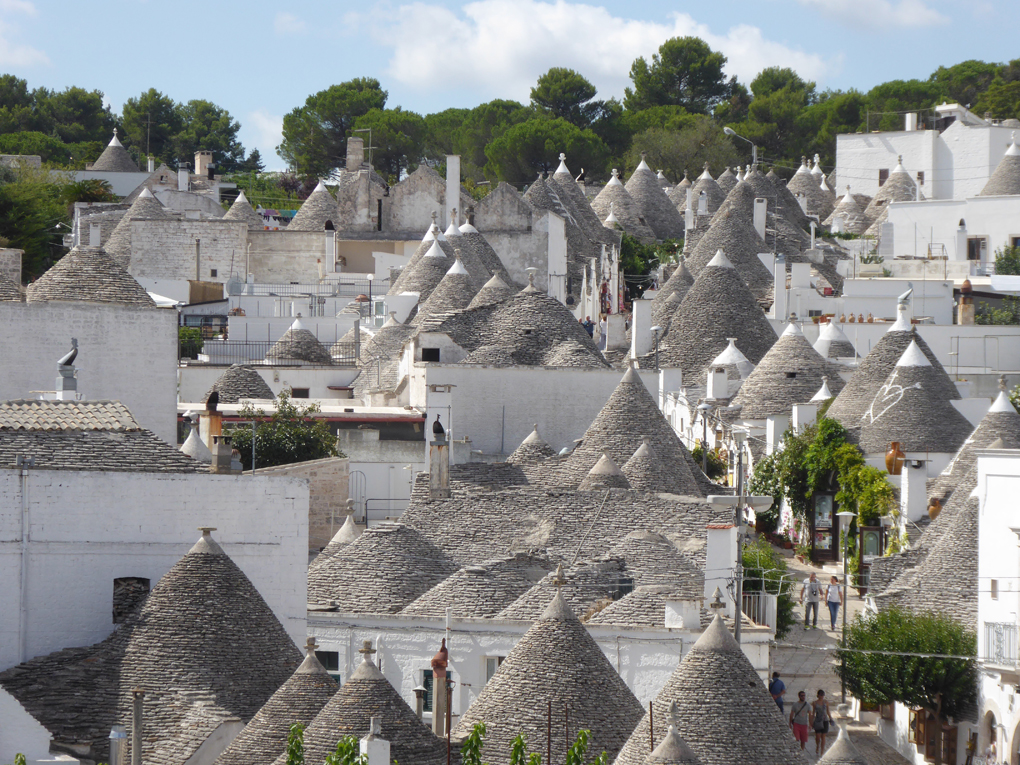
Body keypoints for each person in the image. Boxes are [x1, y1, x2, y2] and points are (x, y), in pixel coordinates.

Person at [812, 689, 832, 755]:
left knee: (823, 736)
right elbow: (813, 713)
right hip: (818, 721)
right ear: (818, 695)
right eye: (821, 694)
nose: (822, 696)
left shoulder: (826, 702)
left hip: (825, 721)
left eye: (823, 694)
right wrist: (811, 722)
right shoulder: (815, 703)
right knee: (818, 736)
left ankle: (822, 751)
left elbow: (828, 711)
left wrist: (830, 718)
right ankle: (817, 745)